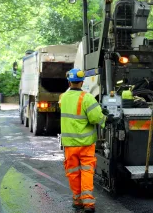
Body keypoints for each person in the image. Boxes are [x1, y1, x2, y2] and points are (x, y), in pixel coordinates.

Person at [59, 68, 109, 212]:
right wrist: (106, 118)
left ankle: (77, 200)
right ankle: (88, 203)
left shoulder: (63, 98)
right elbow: (95, 117)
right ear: (82, 82)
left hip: (69, 144)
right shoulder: (87, 98)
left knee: (73, 172)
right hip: (86, 144)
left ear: (69, 81)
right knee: (87, 171)